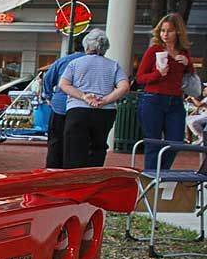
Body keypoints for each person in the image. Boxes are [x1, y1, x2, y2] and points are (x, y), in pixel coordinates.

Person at [58, 29, 130, 169]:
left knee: (73, 149)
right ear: (105, 47)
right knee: (98, 147)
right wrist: (105, 100)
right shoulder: (113, 65)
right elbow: (124, 87)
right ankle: (94, 176)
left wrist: (83, 96)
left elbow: (63, 84)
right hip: (105, 112)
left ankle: (75, 179)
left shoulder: (75, 63)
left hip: (78, 110)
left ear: (86, 46)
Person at [136, 13, 194, 171]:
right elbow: (140, 78)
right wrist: (158, 74)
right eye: (162, 30)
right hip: (153, 100)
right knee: (153, 143)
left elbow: (190, 76)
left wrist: (188, 63)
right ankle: (152, 178)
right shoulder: (154, 50)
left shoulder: (183, 52)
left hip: (175, 101)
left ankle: (161, 173)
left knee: (176, 142)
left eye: (169, 31)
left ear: (178, 32)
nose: (165, 34)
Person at [42, 48, 85, 168]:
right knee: (78, 142)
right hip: (82, 106)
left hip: (60, 105)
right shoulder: (93, 62)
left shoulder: (63, 61)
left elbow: (47, 79)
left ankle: (53, 168)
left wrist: (48, 96)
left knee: (55, 140)